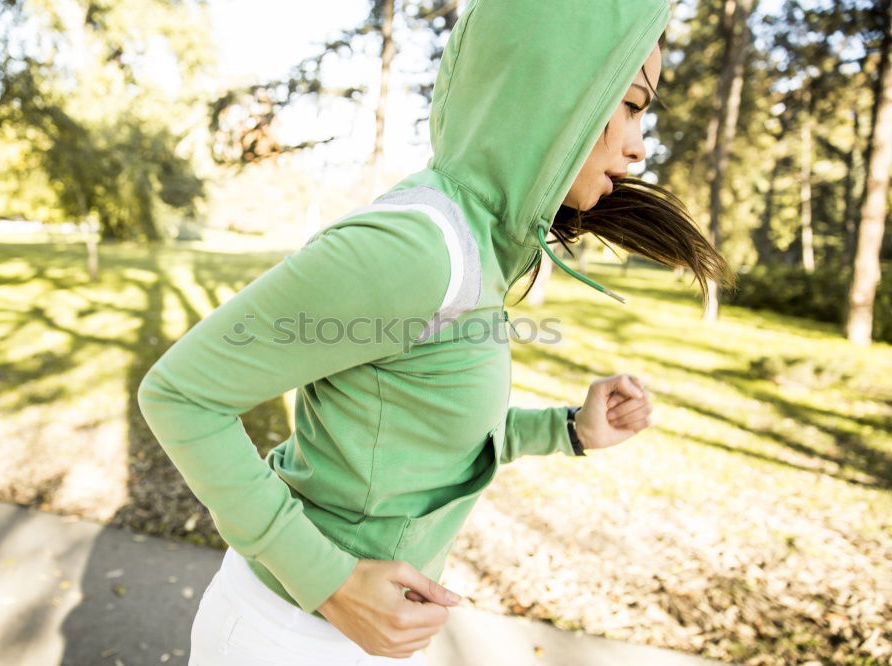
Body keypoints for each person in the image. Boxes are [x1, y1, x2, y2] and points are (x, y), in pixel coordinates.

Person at [136, 0, 735, 664]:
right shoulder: (419, 249)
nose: (638, 143)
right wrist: (328, 582)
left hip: (362, 632)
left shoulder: (486, 246)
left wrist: (568, 429)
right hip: (291, 635)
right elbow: (180, 395)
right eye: (627, 103)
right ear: (549, 86)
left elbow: (418, 444)